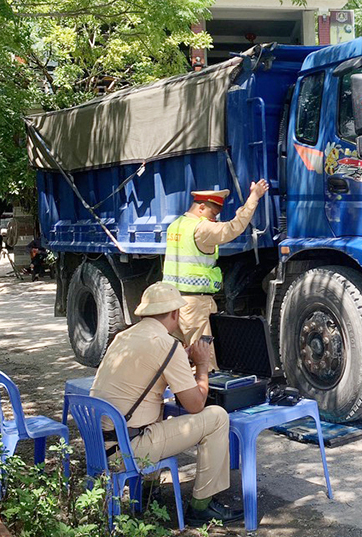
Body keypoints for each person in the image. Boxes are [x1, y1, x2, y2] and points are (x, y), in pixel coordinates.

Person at [90, 282, 240, 525]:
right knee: (217, 417)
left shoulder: (122, 337)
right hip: (127, 451)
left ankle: (149, 494)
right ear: (175, 314)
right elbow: (195, 405)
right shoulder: (167, 345)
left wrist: (180, 356)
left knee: (154, 410)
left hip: (99, 444)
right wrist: (201, 364)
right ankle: (201, 507)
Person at [163, 180, 270, 370]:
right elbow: (233, 228)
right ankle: (204, 397)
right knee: (204, 360)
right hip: (194, 305)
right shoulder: (201, 229)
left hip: (172, 301)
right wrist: (254, 197)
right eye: (213, 214)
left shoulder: (176, 226)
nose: (214, 219)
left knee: (182, 356)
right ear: (201, 207)